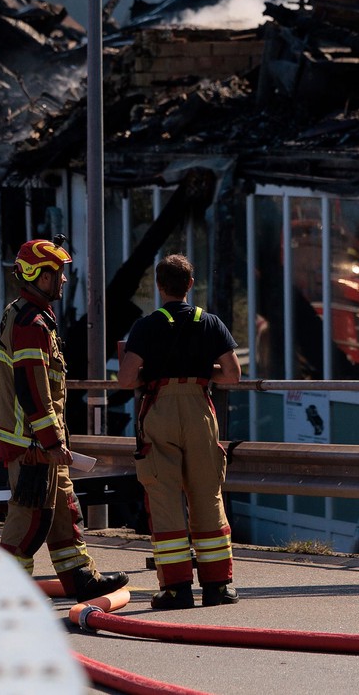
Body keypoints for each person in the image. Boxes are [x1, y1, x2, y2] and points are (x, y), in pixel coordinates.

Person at [0, 236, 127, 601]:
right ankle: (5, 597)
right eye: (57, 273)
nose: (64, 280)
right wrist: (51, 442)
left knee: (65, 511)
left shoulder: (28, 315)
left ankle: (82, 579)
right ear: (37, 276)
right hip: (33, 444)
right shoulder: (30, 324)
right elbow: (32, 388)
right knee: (30, 521)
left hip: (40, 441)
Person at [118, 253, 242, 609]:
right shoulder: (210, 322)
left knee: (165, 498)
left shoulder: (146, 325)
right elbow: (232, 374)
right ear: (190, 284)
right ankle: (218, 586)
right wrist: (203, 375)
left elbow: (126, 379)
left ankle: (177, 589)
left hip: (160, 408)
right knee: (207, 494)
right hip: (199, 408)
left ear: (159, 287)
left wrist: (149, 377)